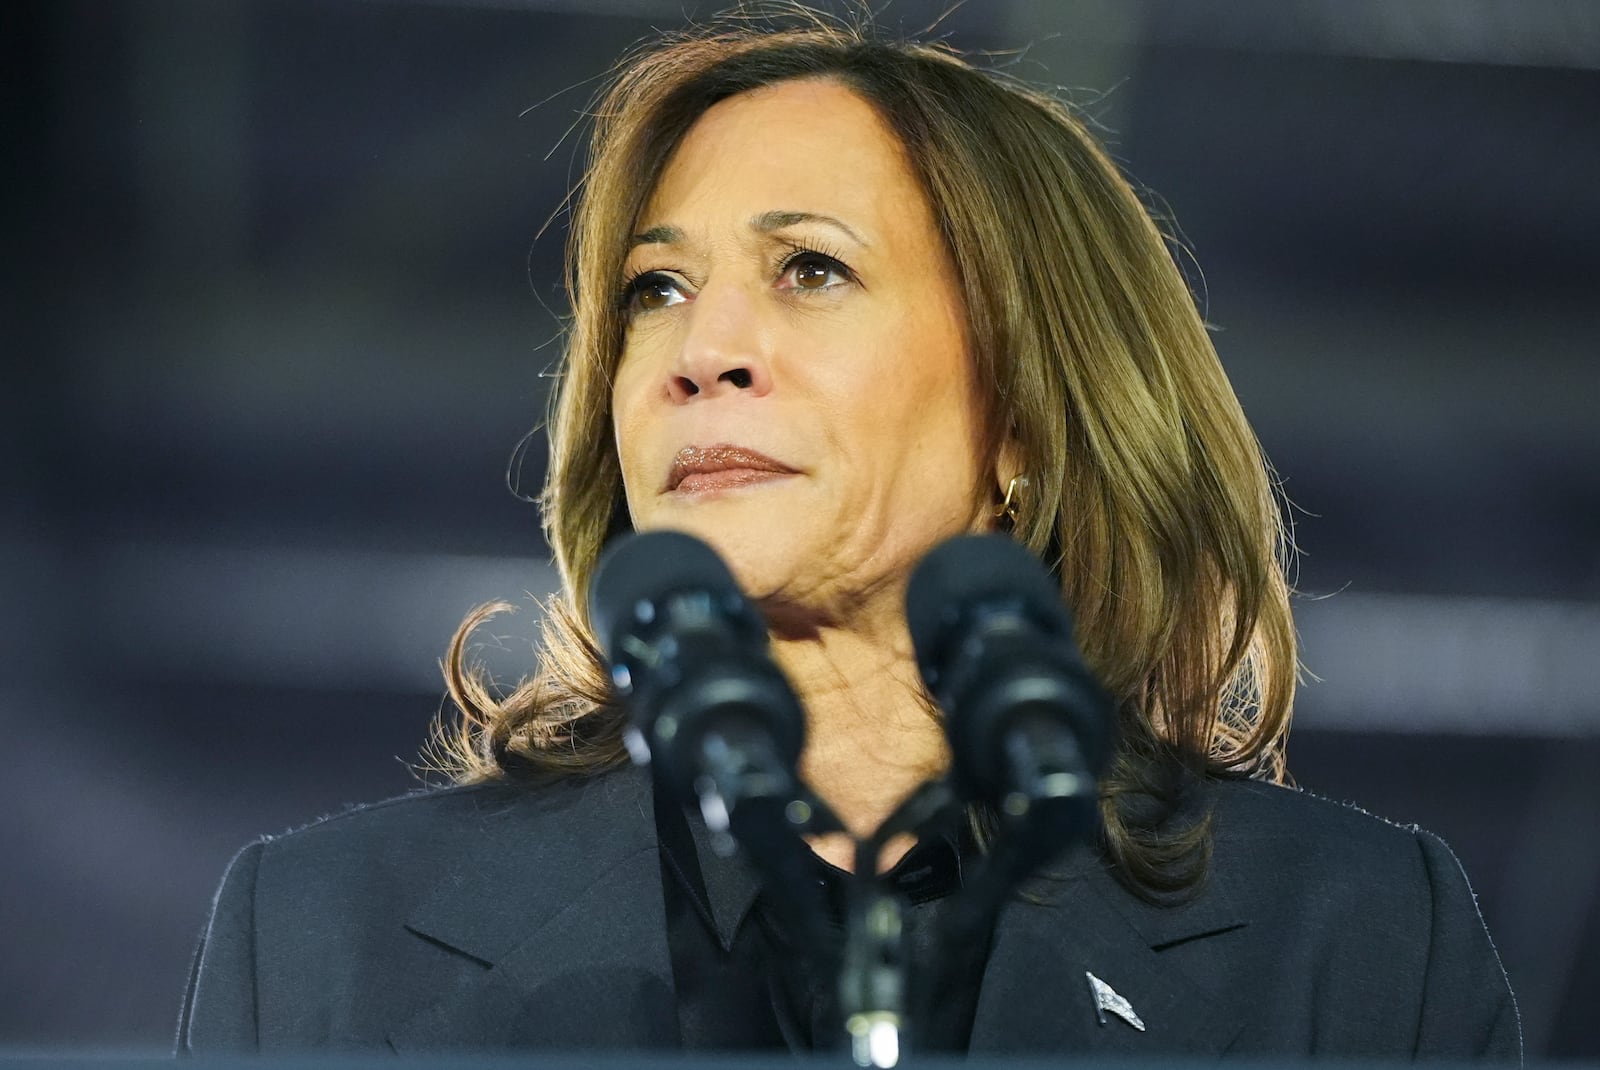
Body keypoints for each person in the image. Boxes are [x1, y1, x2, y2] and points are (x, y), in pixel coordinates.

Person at [178, 9, 1520, 1060]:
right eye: (657, 288)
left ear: (1026, 417)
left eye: (810, 268)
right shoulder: (319, 942)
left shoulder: (1352, 946)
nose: (702, 352)